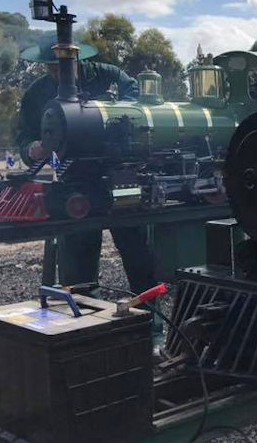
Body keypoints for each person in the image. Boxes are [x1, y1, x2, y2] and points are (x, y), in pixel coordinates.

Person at [16, 31, 157, 298]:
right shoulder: (37, 94)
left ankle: (152, 324)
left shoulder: (110, 76)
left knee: (140, 257)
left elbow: (138, 105)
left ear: (77, 58)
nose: (56, 73)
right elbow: (23, 138)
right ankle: (87, 325)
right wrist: (31, 148)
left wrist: (106, 116)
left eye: (60, 66)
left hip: (123, 176)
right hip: (75, 181)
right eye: (50, 67)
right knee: (77, 266)